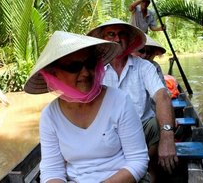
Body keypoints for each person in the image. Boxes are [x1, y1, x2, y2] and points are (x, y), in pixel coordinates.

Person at [24, 31, 149, 183]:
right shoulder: (50, 116)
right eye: (74, 67)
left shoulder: (120, 101)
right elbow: (52, 170)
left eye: (90, 64)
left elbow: (138, 160)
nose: (85, 73)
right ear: (54, 73)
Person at [87, 19, 178, 183]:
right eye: (111, 34)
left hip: (142, 130)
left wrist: (167, 135)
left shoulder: (144, 67)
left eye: (121, 34)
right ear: (102, 39)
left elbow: (162, 96)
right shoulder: (94, 71)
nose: (116, 39)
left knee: (157, 122)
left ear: (129, 40)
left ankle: (151, 172)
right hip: (107, 133)